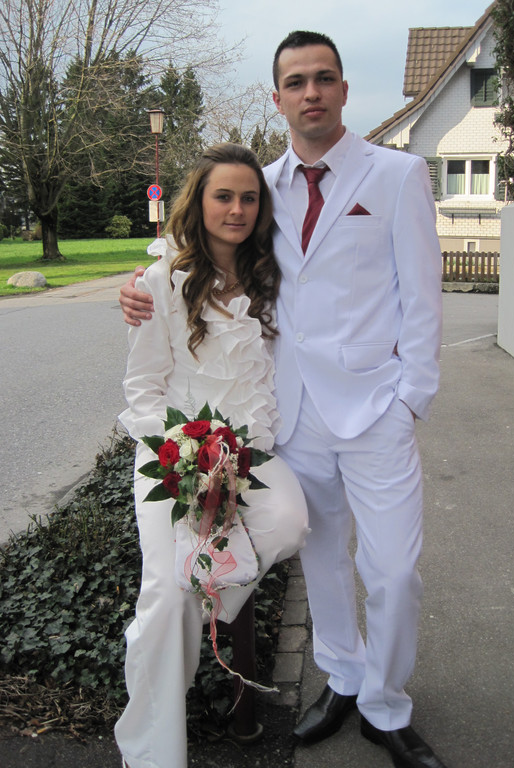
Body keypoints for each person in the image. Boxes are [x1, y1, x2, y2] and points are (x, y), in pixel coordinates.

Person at [120, 31, 447, 768]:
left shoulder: (397, 174)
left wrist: (411, 398)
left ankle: (387, 705)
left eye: (324, 78)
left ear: (343, 89)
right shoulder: (260, 186)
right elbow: (203, 263)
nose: (311, 92)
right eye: (296, 82)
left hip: (377, 409)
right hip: (292, 415)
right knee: (322, 560)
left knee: (394, 571)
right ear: (278, 98)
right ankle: (342, 677)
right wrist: (138, 292)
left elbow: (422, 296)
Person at [115, 142, 309, 768]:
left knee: (290, 521)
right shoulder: (160, 281)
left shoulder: (272, 276)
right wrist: (185, 456)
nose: (237, 209)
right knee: (166, 596)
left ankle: (190, 605)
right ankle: (153, 753)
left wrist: (232, 461)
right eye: (223, 196)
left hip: (247, 456)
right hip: (172, 457)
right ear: (198, 202)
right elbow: (143, 390)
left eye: (249, 198)